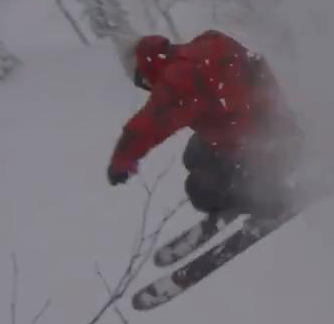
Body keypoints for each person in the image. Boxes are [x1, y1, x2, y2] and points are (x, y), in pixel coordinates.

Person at [107, 30, 298, 224]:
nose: (148, 87)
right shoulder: (207, 42)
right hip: (281, 125)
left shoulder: (180, 77)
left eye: (142, 82)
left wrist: (121, 161)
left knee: (199, 189)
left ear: (145, 69)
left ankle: (273, 201)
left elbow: (153, 122)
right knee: (194, 153)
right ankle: (262, 174)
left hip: (262, 151)